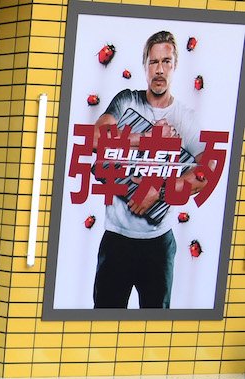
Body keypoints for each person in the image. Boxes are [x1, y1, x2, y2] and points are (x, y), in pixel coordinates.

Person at [91, 30, 210, 308]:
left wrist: (159, 191)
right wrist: (147, 139)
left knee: (153, 331)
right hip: (116, 240)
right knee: (101, 326)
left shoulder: (185, 119)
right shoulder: (126, 100)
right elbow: (96, 139)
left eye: (166, 62)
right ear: (145, 66)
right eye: (153, 62)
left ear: (175, 66)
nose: (160, 70)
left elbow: (208, 170)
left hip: (159, 245)